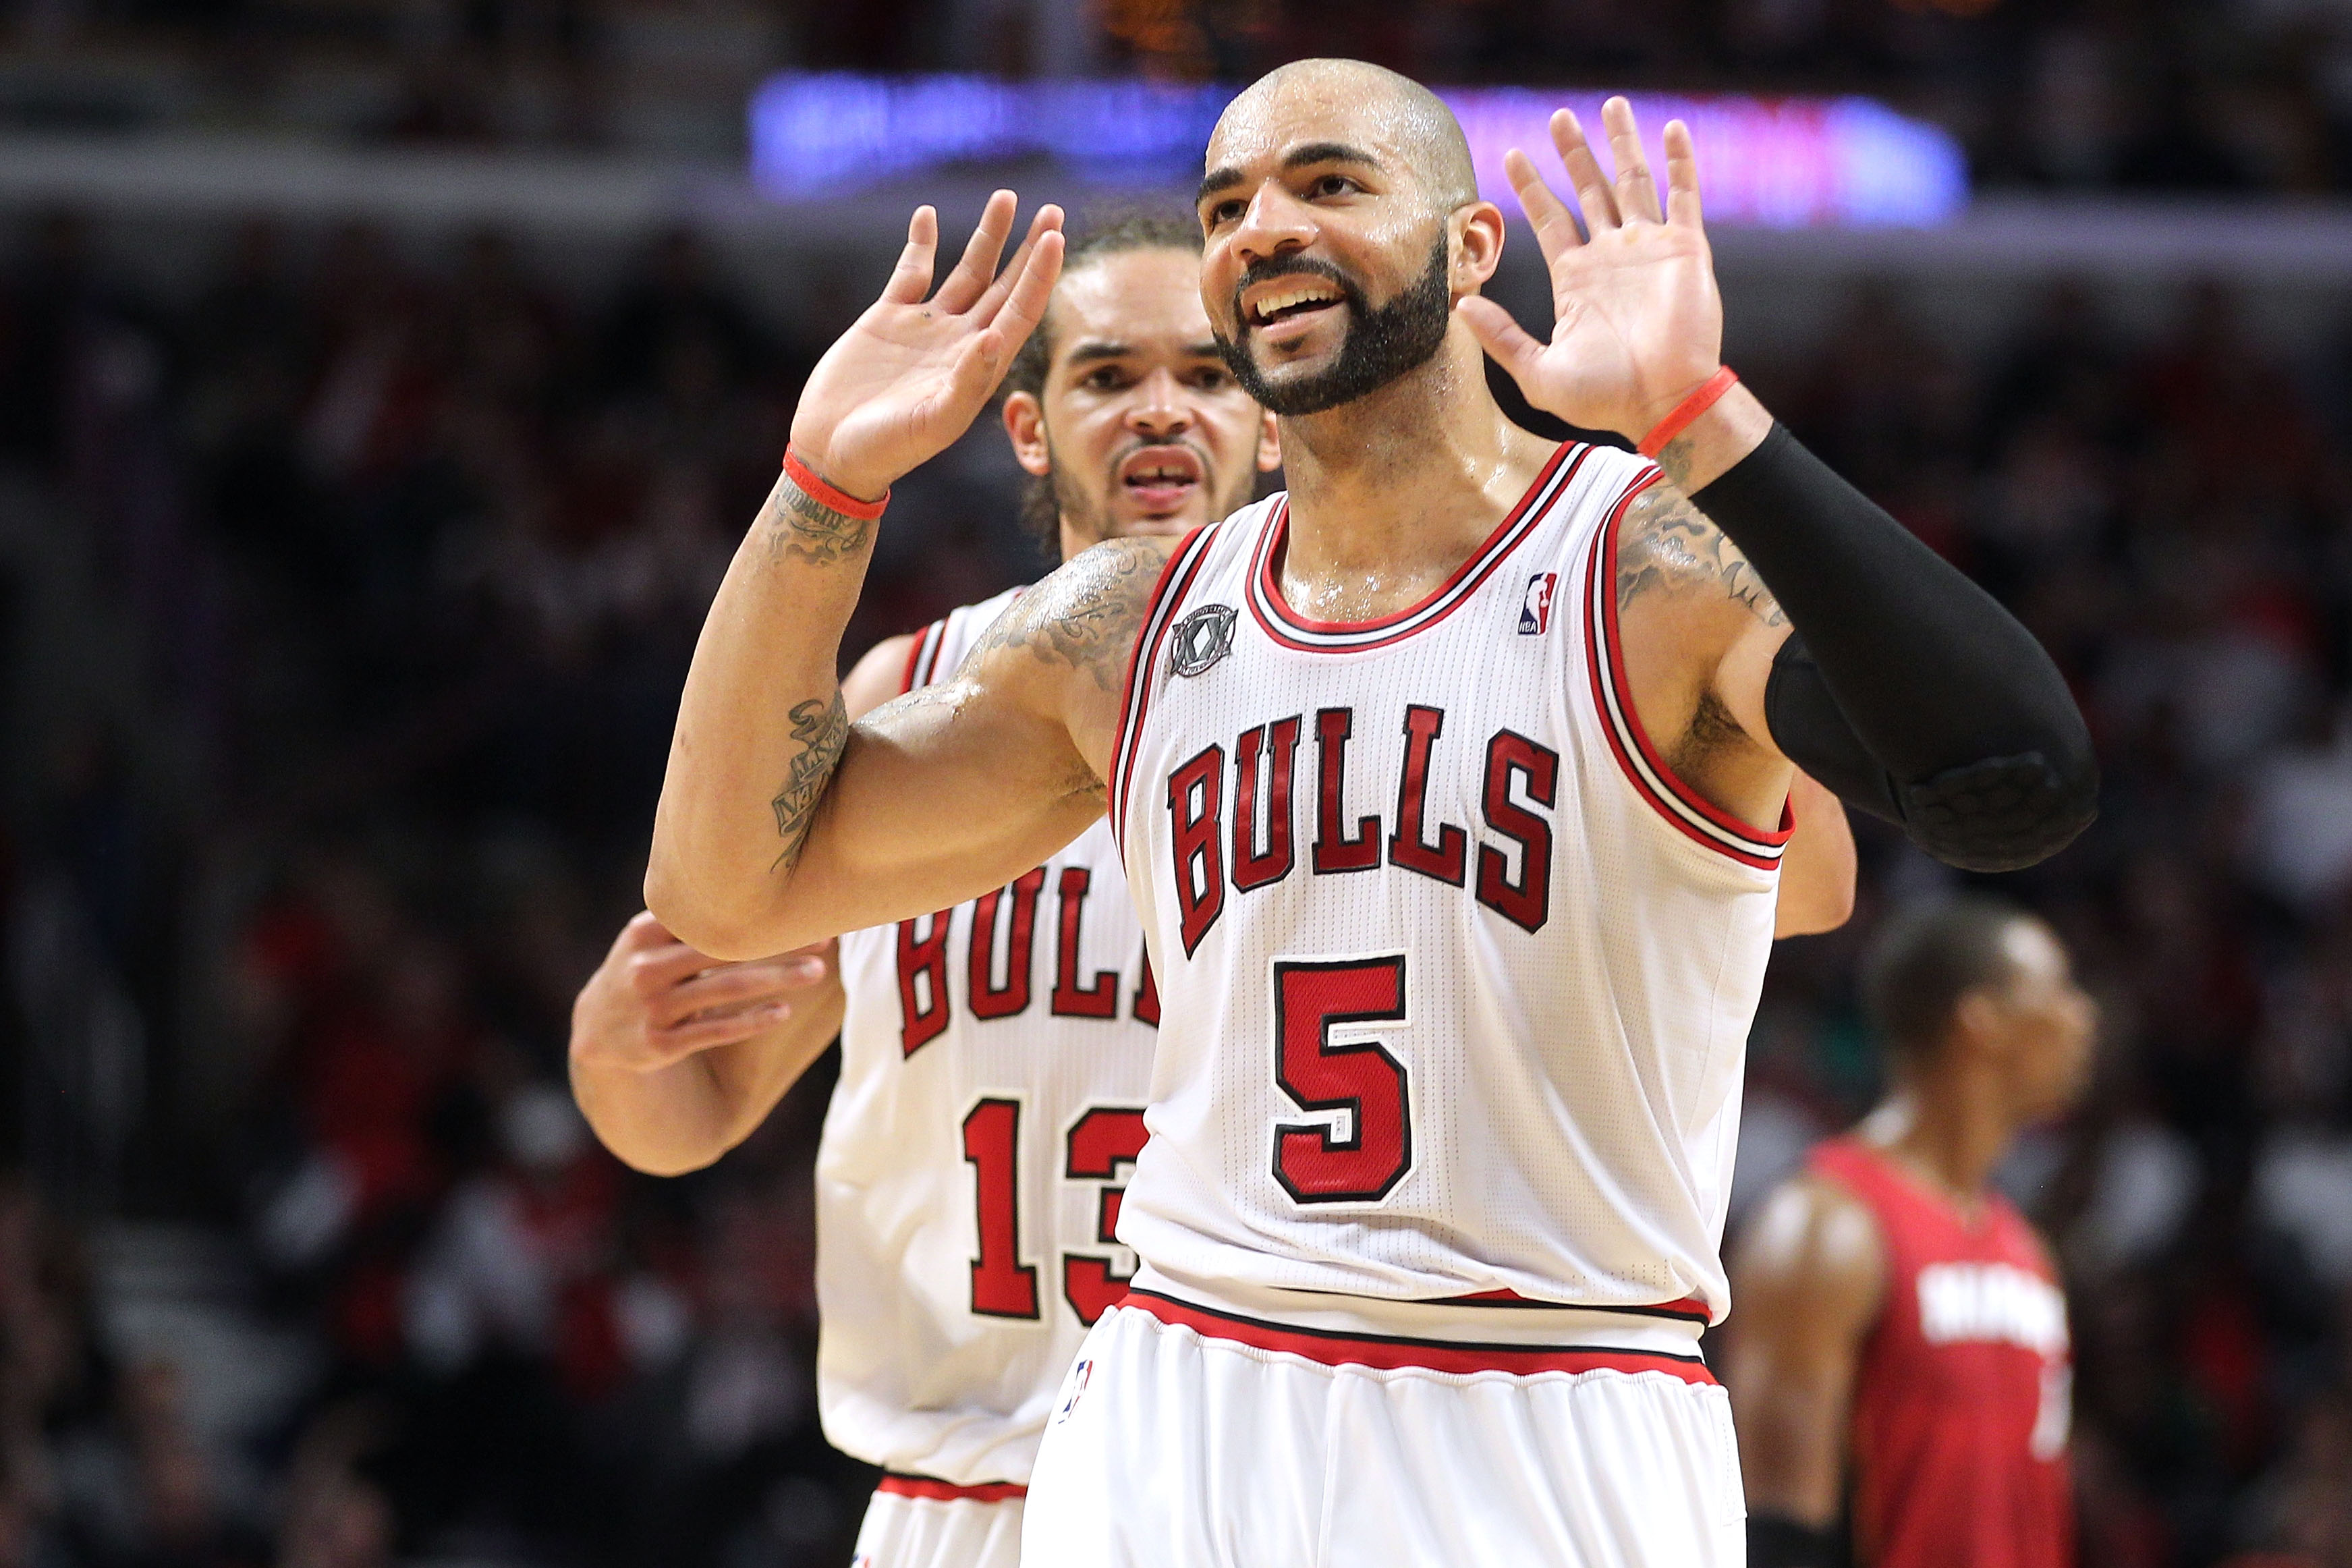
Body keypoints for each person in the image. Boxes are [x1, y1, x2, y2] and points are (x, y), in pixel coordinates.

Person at [643, 57, 2096, 1565]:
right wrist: (825, 485)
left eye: (1329, 184)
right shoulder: (1131, 620)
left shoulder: (1648, 568)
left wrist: (1705, 420)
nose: (1262, 227)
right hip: (1182, 1396)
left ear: (1471, 250)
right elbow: (730, 887)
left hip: (1549, 1398)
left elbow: (2017, 783)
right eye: (1227, 206)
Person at [1727, 897, 2095, 1568]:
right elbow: (1780, 1528)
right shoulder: (1826, 1226)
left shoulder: (2025, 1248)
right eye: (2057, 991)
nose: (2082, 1016)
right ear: (1979, 1023)